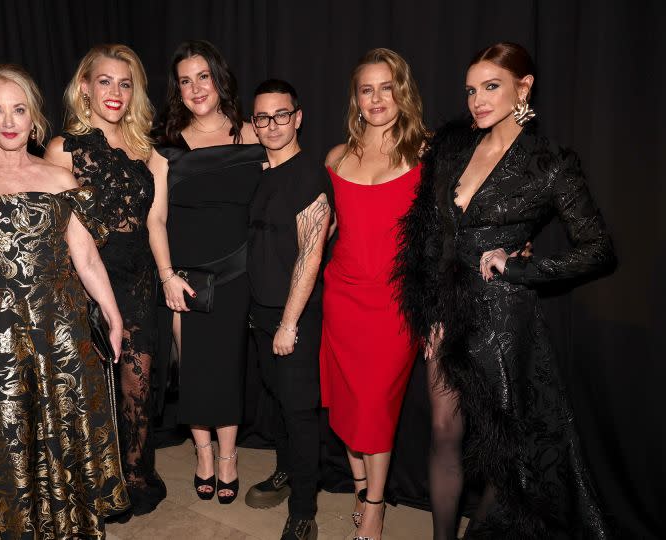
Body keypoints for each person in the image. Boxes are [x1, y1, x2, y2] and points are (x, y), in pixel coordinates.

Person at [394, 42, 615, 538]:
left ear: (525, 86)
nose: (478, 99)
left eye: (491, 86)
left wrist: (518, 269)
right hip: (448, 311)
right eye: (471, 89)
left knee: (502, 446)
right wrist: (430, 307)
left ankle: (486, 530)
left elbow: (598, 248)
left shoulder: (551, 161)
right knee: (445, 433)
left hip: (502, 318)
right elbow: (432, 235)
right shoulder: (454, 150)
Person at [0, 64, 128, 538]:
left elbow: (87, 258)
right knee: (3, 444)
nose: (8, 121)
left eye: (19, 109)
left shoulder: (57, 177)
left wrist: (112, 317)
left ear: (35, 118)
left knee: (67, 437)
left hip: (65, 330)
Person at [45, 44, 166, 519]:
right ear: (85, 87)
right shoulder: (62, 148)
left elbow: (156, 225)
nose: (115, 92)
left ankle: (134, 473)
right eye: (105, 81)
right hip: (84, 277)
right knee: (92, 385)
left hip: (138, 279)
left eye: (125, 82)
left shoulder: (150, 154)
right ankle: (95, 482)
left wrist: (169, 275)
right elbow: (56, 228)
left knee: (137, 384)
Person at [148, 39, 265, 504]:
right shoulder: (167, 146)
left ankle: (229, 457)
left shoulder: (254, 133)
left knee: (229, 367)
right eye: (185, 80)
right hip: (186, 276)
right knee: (194, 369)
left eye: (203, 76)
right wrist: (166, 275)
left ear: (219, 78)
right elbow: (155, 218)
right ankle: (202, 454)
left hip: (238, 272)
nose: (196, 87)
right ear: (177, 90)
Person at [320, 48, 428, 540]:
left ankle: (377, 506)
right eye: (368, 89)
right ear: (356, 98)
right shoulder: (336, 158)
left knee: (376, 406)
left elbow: (443, 235)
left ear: (401, 92)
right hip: (342, 296)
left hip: (394, 304)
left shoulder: (424, 154)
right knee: (345, 402)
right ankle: (362, 490)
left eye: (387, 87)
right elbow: (323, 232)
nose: (378, 98)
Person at [244, 79, 332, 540]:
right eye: (262, 117)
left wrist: (289, 324)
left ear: (298, 117)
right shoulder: (259, 170)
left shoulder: (309, 176)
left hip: (292, 316)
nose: (272, 124)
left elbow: (310, 254)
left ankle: (303, 510)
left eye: (282, 115)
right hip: (259, 311)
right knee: (276, 401)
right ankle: (284, 472)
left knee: (298, 410)